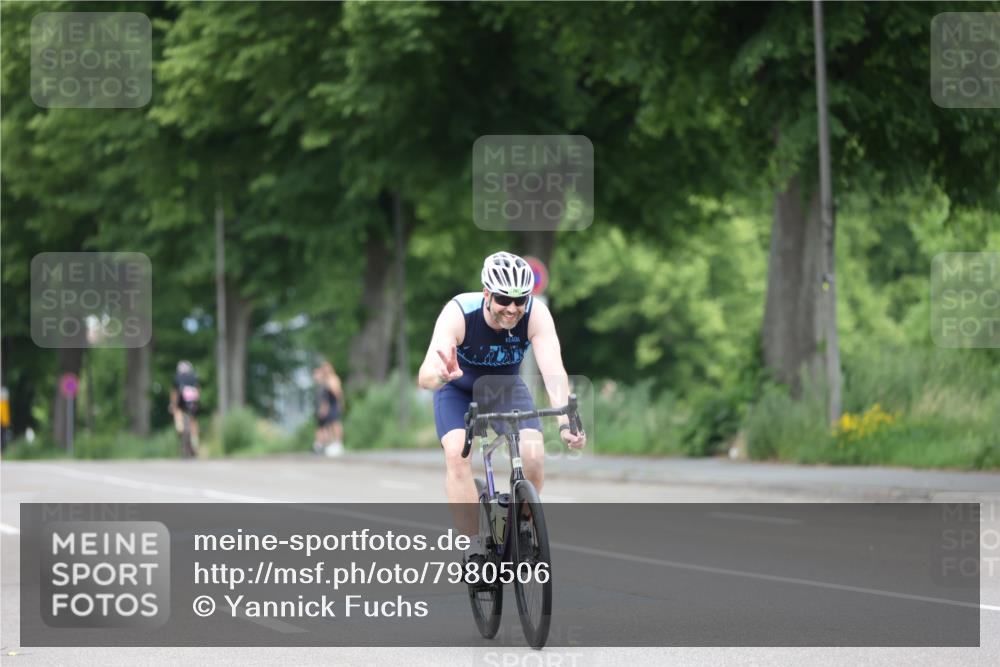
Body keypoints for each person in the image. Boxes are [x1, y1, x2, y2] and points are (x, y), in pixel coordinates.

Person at [417, 251, 586, 572]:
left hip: (506, 388)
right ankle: (474, 549)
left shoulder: (536, 314)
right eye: (503, 299)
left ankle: (522, 527)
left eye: (519, 300)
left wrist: (566, 422)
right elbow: (425, 376)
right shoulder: (459, 313)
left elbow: (553, 371)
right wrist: (442, 374)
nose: (512, 308)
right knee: (457, 454)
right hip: (458, 390)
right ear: (486, 294)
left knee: (534, 456)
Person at [313, 360, 345, 457]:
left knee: (335, 423)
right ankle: (332, 443)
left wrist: (340, 403)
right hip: (329, 405)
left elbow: (338, 393)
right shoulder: (325, 380)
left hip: (334, 404)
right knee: (330, 425)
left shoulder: (333, 379)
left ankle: (338, 443)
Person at [170, 360, 200, 456]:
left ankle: (180, 427)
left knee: (177, 411)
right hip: (192, 399)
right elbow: (198, 390)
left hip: (181, 399)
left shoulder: (177, 377)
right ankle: (195, 443)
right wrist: (196, 402)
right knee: (193, 421)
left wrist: (173, 405)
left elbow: (174, 393)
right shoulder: (194, 377)